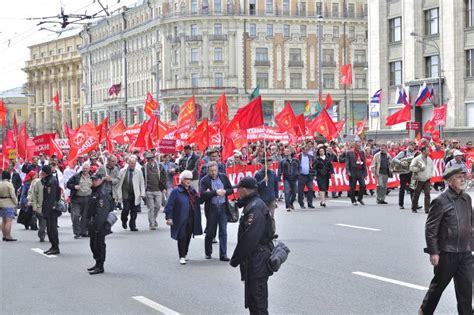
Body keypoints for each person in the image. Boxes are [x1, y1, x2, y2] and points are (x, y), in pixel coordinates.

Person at [419, 166, 473, 315]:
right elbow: (431, 228)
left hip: (465, 253)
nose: (463, 179)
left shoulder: (466, 198)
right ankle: (425, 311)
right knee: (437, 287)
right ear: (449, 181)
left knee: (466, 290)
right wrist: (433, 252)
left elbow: (471, 223)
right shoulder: (441, 201)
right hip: (447, 253)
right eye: (458, 177)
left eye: (463, 176)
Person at [230, 177, 275, 315]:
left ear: (244, 190)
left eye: (238, 190)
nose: (237, 192)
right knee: (253, 300)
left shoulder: (255, 207)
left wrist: (235, 259)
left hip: (258, 259)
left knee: (257, 302)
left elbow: (249, 238)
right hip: (255, 258)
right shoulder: (253, 203)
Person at [164, 170, 203, 265]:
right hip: (180, 218)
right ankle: (181, 256)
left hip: (191, 216)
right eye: (186, 179)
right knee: (182, 236)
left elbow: (198, 200)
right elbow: (169, 205)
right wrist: (169, 217)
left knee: (188, 236)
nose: (188, 181)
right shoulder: (176, 191)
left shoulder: (192, 190)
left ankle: (184, 253)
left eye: (190, 179)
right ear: (181, 180)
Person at [200, 161, 233, 261]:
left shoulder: (223, 177)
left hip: (223, 207)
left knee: (223, 231)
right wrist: (215, 192)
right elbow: (202, 194)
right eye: (211, 171)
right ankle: (208, 252)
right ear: (208, 171)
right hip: (212, 208)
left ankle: (223, 254)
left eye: (215, 170)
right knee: (211, 231)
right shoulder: (204, 180)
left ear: (218, 170)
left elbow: (230, 189)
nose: (213, 173)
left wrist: (225, 191)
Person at [86, 173, 113, 275]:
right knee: (93, 244)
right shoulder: (94, 192)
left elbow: (102, 212)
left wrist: (97, 226)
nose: (93, 181)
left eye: (96, 180)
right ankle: (97, 263)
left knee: (99, 245)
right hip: (93, 223)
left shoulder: (101, 193)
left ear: (101, 180)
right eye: (92, 179)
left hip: (99, 224)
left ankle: (100, 265)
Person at [117, 157, 145, 232]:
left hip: (135, 194)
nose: (133, 165)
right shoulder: (122, 171)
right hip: (125, 193)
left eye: (134, 164)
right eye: (132, 163)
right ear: (128, 163)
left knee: (134, 211)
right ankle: (124, 220)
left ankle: (132, 225)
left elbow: (142, 182)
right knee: (126, 209)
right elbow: (119, 182)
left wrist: (142, 193)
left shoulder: (138, 172)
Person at [66, 163, 92, 239]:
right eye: (84, 168)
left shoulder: (92, 176)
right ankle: (77, 232)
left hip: (87, 198)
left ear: (89, 169)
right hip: (76, 199)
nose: (85, 170)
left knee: (85, 216)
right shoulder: (76, 176)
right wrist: (74, 186)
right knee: (76, 215)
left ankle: (84, 231)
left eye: (86, 168)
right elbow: (68, 184)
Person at [143, 152, 167, 230]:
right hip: (149, 190)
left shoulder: (159, 167)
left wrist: (164, 188)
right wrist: (143, 190)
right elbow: (142, 179)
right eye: (148, 160)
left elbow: (164, 178)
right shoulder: (144, 168)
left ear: (154, 159)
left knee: (158, 206)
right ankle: (152, 223)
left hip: (158, 189)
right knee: (151, 207)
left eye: (152, 159)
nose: (150, 161)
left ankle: (154, 219)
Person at [41, 165, 61, 255]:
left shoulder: (51, 182)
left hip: (52, 209)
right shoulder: (48, 180)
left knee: (52, 229)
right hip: (49, 208)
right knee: (49, 229)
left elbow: (50, 198)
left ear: (45, 172)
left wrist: (46, 212)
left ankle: (55, 247)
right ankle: (53, 246)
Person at [255, 158, 279, 230]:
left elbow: (275, 185)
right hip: (262, 199)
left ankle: (272, 232)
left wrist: (276, 196)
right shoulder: (258, 174)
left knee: (271, 217)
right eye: (267, 164)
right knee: (263, 217)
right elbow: (256, 186)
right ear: (262, 165)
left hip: (271, 199)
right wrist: (263, 181)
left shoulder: (273, 173)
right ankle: (262, 232)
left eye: (270, 164)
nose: (269, 166)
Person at [410, 146, 434, 214]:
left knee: (427, 194)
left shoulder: (429, 159)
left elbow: (432, 168)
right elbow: (411, 168)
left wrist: (430, 175)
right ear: (423, 151)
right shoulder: (417, 159)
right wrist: (419, 169)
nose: (429, 152)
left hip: (427, 179)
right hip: (419, 179)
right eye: (427, 150)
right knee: (416, 194)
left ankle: (427, 209)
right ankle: (414, 208)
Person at [393, 141, 416, 209]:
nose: (413, 147)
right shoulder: (403, 152)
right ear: (408, 145)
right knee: (402, 188)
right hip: (403, 172)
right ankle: (401, 204)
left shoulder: (414, 153)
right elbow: (395, 159)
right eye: (411, 145)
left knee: (412, 188)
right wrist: (401, 162)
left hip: (411, 172)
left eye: (414, 146)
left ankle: (414, 204)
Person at [345, 141, 367, 206]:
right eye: (357, 146)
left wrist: (365, 171)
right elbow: (347, 163)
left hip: (360, 171)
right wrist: (348, 171)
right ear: (354, 146)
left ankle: (360, 198)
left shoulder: (362, 152)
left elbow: (364, 162)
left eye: (359, 146)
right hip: (353, 171)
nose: (358, 147)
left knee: (363, 185)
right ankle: (353, 200)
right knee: (352, 187)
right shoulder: (349, 152)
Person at [0, 171, 19, 241]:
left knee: (4, 220)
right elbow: (13, 195)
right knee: (9, 220)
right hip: (8, 202)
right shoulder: (9, 184)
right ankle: (8, 236)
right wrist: (16, 203)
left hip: (1, 203)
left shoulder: (0, 184)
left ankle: (4, 235)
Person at [28, 171, 46, 242]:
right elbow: (32, 193)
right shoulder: (35, 182)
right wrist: (32, 203)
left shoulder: (51, 181)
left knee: (45, 221)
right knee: (42, 220)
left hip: (47, 205)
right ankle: (41, 233)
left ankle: (43, 232)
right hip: (39, 205)